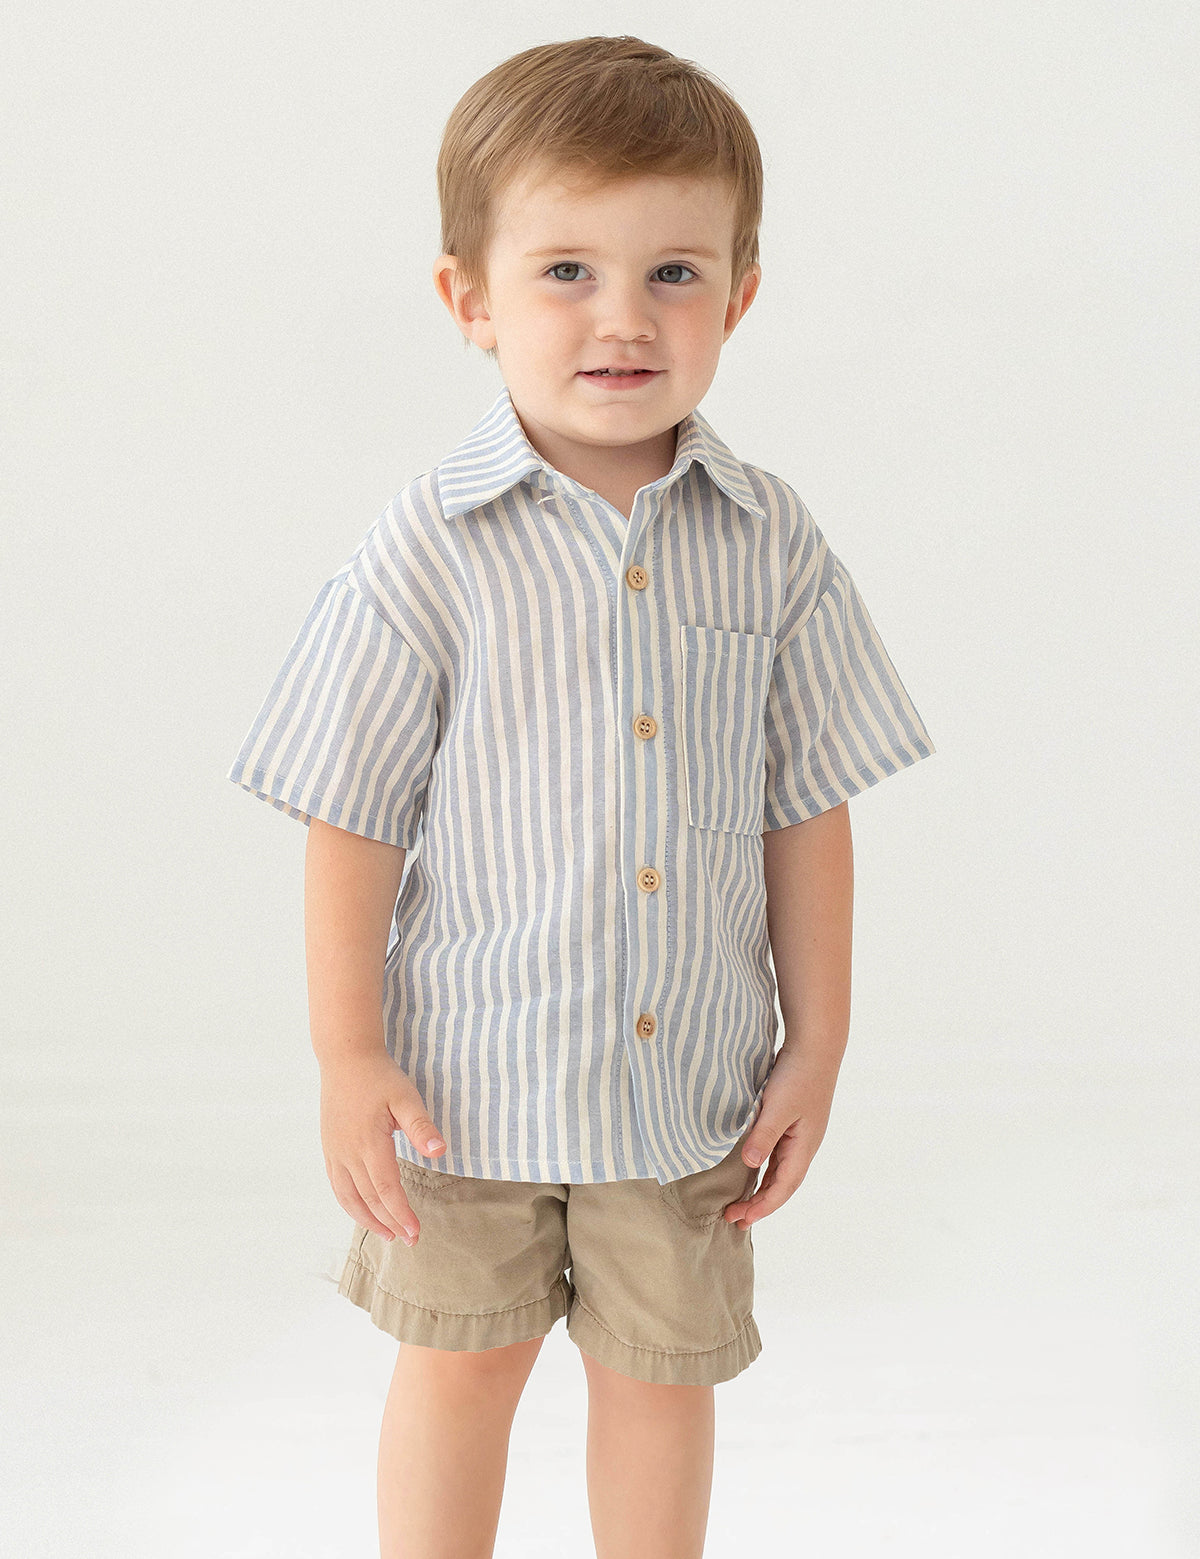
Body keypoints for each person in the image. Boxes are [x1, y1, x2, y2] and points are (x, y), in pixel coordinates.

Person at [226, 33, 936, 1559]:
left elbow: (806, 803)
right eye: (566, 272)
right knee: (459, 1362)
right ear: (467, 299)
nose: (624, 318)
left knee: (661, 1376)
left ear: (740, 296)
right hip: (464, 1087)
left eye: (674, 273)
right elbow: (348, 808)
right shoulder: (430, 545)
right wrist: (347, 1051)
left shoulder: (772, 543)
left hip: (683, 1089)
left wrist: (821, 1040)